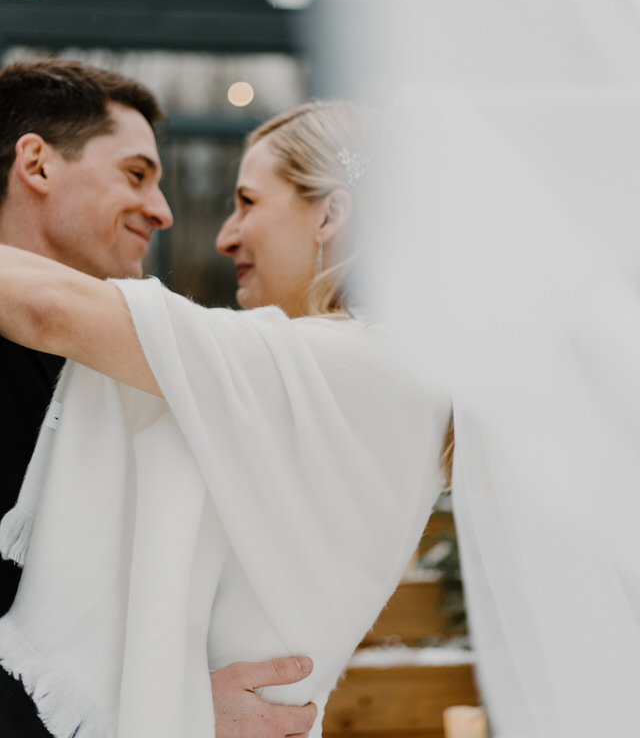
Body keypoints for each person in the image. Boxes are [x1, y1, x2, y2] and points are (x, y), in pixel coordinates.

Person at [0, 99, 450, 738]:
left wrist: (168, 701)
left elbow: (50, 307)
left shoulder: (366, 367)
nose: (224, 235)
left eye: (248, 201)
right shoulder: (331, 371)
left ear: (331, 214)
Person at [0, 60, 318, 738]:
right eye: (136, 174)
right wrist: (166, 708)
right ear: (37, 164)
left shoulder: (132, 368)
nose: (164, 211)